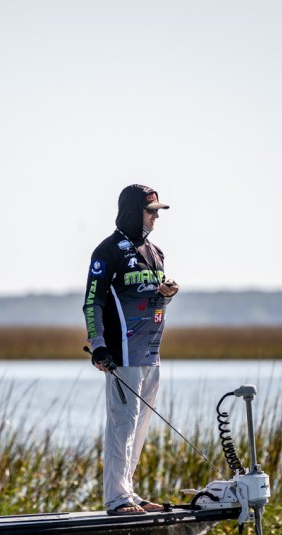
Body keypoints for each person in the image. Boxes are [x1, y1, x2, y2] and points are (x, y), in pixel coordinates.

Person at [82, 184, 179, 515]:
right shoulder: (107, 251)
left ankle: (129, 493)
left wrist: (166, 293)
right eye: (151, 212)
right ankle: (117, 499)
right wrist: (98, 345)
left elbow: (148, 297)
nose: (155, 218)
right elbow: (92, 301)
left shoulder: (156, 252)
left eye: (157, 212)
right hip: (121, 354)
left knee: (139, 429)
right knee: (122, 425)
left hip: (150, 354)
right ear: (133, 212)